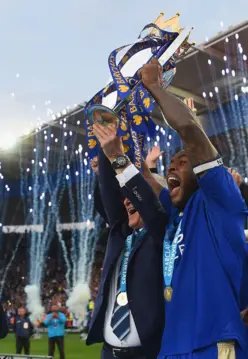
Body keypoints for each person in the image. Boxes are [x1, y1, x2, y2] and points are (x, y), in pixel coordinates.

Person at [141, 58, 247, 358]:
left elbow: (191, 135)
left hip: (212, 343)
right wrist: (117, 144)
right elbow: (143, 178)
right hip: (171, 348)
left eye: (181, 162)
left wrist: (154, 88)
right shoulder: (177, 215)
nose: (171, 167)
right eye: (169, 164)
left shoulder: (219, 201)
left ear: (200, 173)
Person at [86, 120, 168, 359]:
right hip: (108, 353)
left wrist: (119, 158)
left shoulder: (160, 234)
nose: (127, 201)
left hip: (146, 353)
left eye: (135, 197)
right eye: (125, 198)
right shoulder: (120, 234)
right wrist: (106, 155)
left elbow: (148, 203)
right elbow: (111, 199)